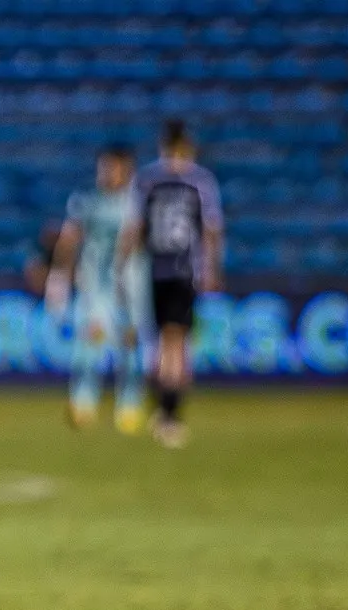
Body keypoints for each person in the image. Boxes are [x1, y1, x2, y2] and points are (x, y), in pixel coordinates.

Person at [119, 119, 223, 448]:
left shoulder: (148, 179)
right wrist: (211, 269)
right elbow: (211, 229)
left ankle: (164, 410)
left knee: (164, 342)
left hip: (156, 271)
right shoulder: (200, 180)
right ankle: (169, 414)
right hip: (181, 271)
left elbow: (134, 228)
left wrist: (123, 265)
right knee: (175, 343)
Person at [44, 144, 149, 434]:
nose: (106, 173)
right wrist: (60, 275)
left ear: (127, 170)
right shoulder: (85, 199)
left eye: (112, 168)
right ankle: (83, 401)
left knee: (129, 341)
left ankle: (129, 403)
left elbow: (135, 238)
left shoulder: (135, 201)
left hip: (130, 282)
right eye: (104, 167)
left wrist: (123, 269)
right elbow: (70, 238)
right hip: (94, 283)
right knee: (90, 339)